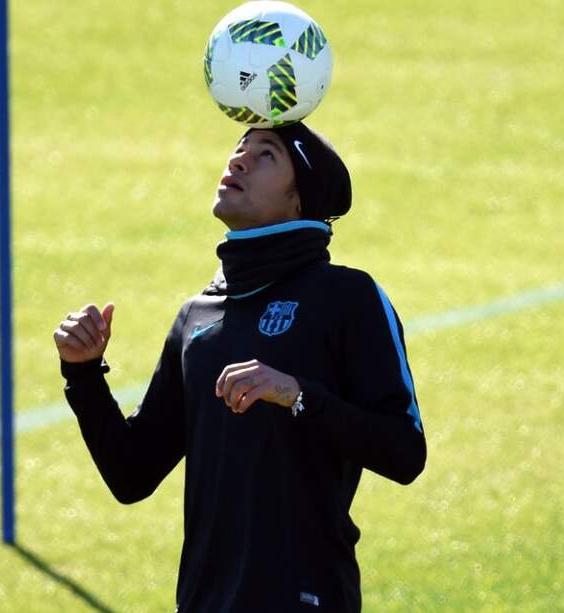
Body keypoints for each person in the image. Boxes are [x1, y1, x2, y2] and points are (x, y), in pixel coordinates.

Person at [52, 122, 426, 612]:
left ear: (300, 201)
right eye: (238, 148)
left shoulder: (348, 298)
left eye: (265, 155)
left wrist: (297, 396)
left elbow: (405, 453)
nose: (238, 161)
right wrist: (82, 374)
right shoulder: (197, 316)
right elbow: (132, 473)